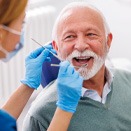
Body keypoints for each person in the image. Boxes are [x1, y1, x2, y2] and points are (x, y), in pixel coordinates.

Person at [23, 1, 131, 131]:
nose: (80, 46)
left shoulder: (128, 81)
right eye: (69, 37)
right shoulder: (40, 115)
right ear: (56, 48)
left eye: (90, 34)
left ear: (108, 41)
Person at [0, 0, 83, 131]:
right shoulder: (39, 114)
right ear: (1, 33)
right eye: (21, 24)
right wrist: (65, 108)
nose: (81, 45)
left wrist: (28, 84)